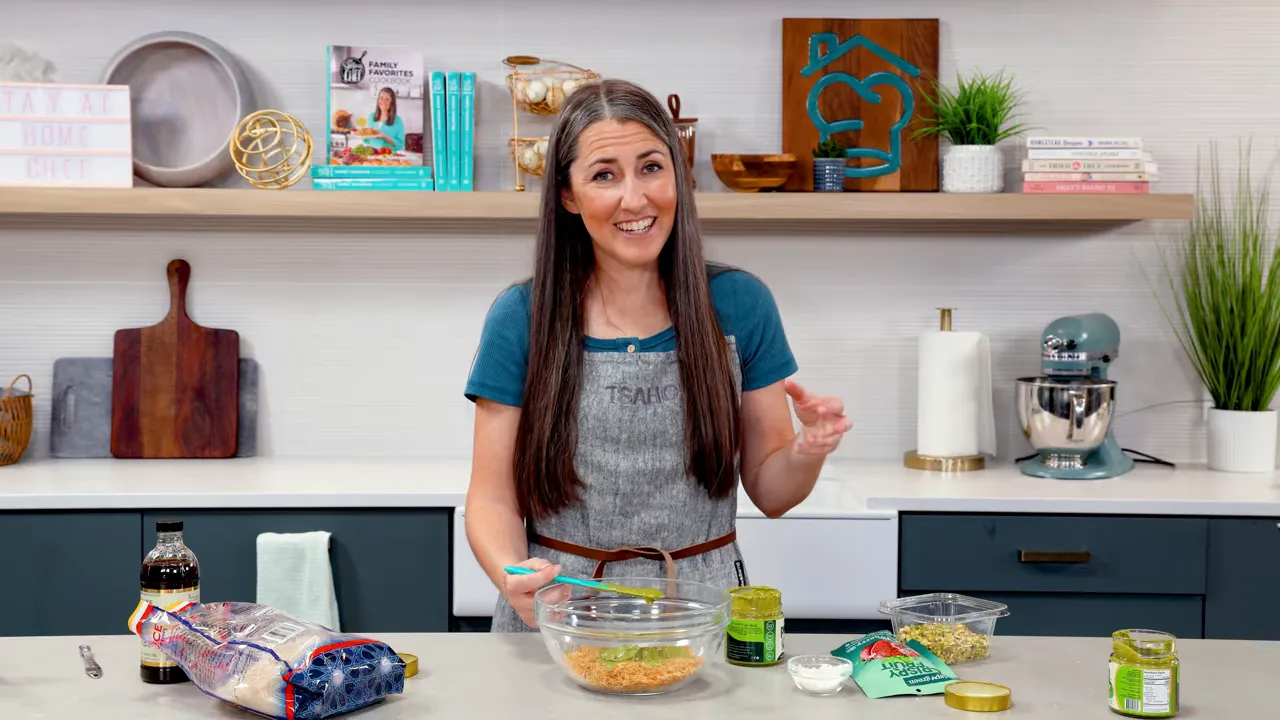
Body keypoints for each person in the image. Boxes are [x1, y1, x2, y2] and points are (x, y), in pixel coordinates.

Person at [463, 78, 853, 632]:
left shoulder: (741, 304)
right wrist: (512, 576)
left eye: (651, 167)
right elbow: (491, 497)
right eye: (604, 175)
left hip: (700, 619)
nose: (635, 198)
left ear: (678, 174)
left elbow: (771, 491)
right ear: (568, 197)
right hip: (559, 616)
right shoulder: (521, 316)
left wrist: (810, 449)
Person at [365, 87, 405, 152]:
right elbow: (366, 140)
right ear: (378, 100)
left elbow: (400, 144)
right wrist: (364, 132)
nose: (383, 102)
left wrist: (385, 137)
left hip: (390, 157)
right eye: (381, 98)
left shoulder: (398, 120)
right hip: (372, 155)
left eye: (387, 99)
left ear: (392, 102)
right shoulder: (371, 117)